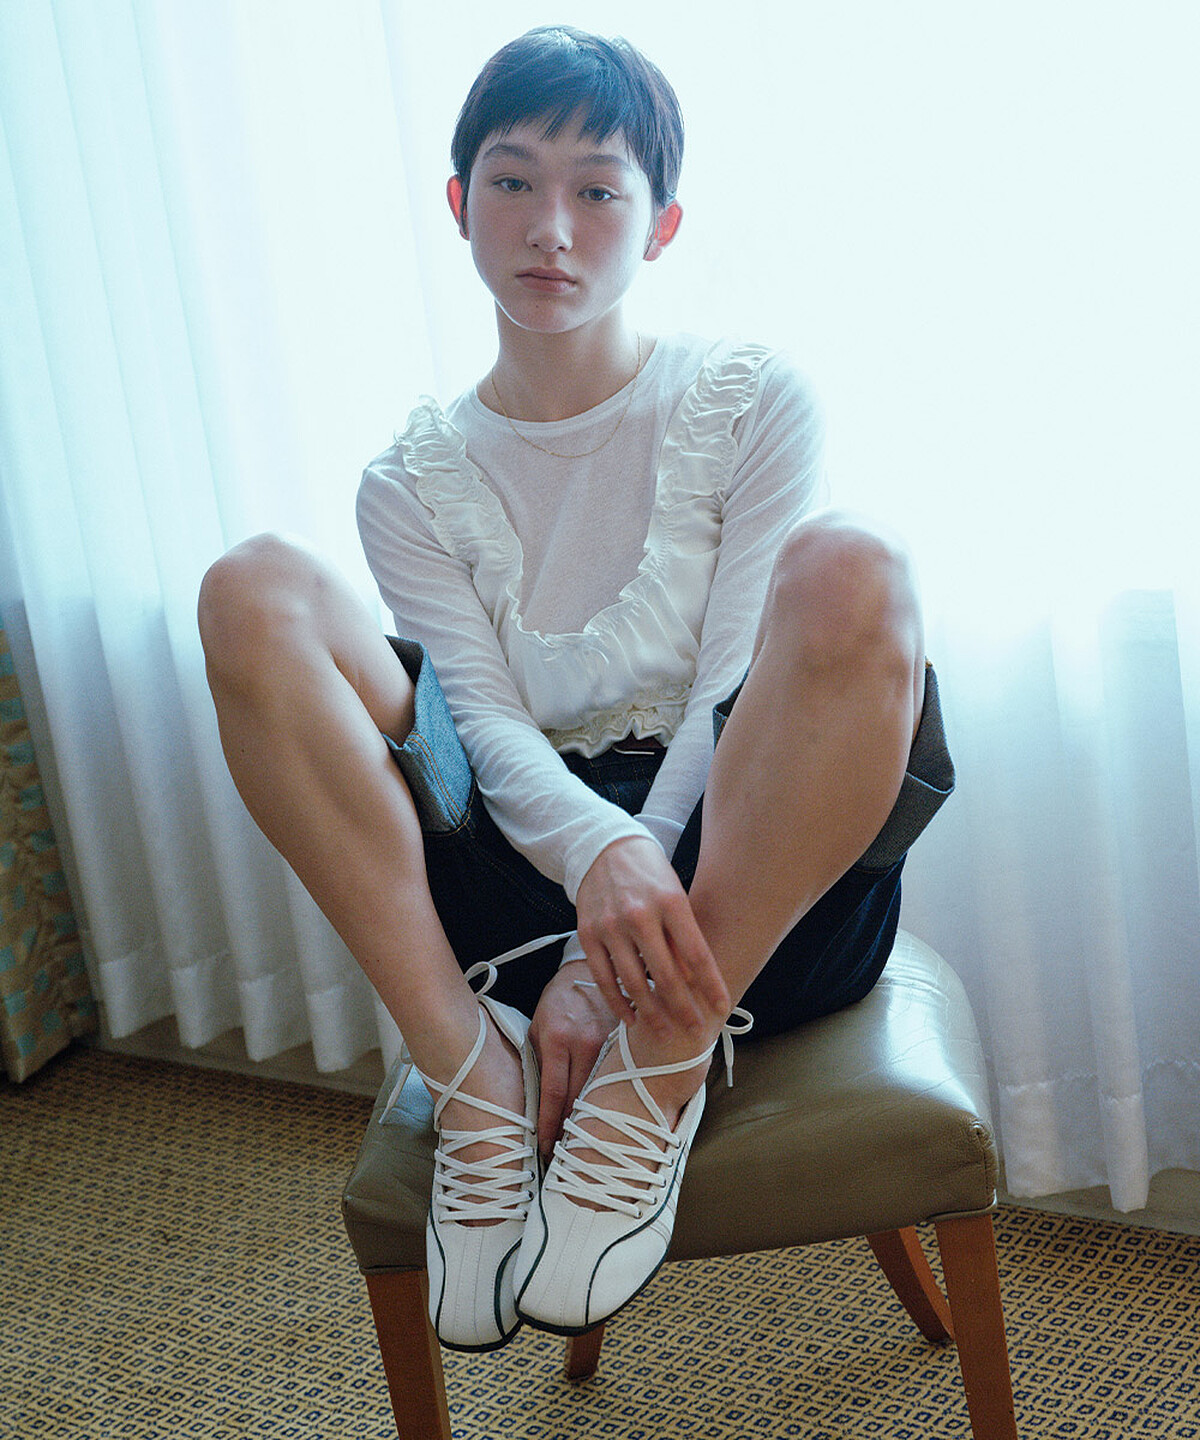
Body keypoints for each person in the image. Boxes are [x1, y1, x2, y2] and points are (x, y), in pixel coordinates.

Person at [198, 25, 954, 1353]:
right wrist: (593, 867)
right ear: (459, 203)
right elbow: (480, 726)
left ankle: (661, 1065)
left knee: (855, 564)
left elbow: (733, 688)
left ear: (660, 226)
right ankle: (470, 1078)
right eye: (513, 181)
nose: (551, 227)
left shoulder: (751, 399)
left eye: (598, 189)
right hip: (521, 882)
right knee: (251, 586)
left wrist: (629, 951)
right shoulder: (410, 482)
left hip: (755, 879)